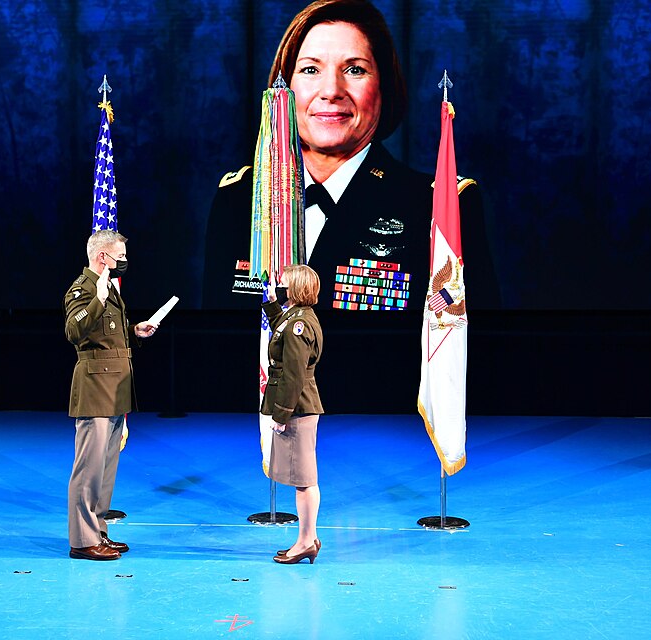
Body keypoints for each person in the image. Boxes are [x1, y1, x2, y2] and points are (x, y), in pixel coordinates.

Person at [203, 0, 499, 311]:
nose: (331, 90)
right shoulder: (240, 197)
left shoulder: (439, 206)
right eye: (310, 69)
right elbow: (212, 344)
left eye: (355, 69)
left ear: (384, 87)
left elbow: (472, 345)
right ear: (284, 89)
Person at [63, 229, 158, 561]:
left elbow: (108, 338)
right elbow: (75, 332)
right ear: (102, 256)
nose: (124, 262)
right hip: (95, 389)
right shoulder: (84, 289)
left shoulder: (108, 291)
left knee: (105, 468)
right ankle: (82, 539)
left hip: (115, 389)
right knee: (88, 468)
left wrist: (135, 332)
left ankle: (99, 530)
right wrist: (98, 299)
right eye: (119, 256)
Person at [261, 264, 325, 564]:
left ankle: (306, 542)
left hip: (297, 407)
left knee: (304, 480)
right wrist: (271, 301)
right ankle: (307, 538)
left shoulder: (300, 324)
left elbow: (294, 373)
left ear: (297, 289)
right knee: (302, 477)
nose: (281, 286)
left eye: (284, 284)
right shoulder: (294, 317)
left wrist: (281, 413)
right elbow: (280, 330)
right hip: (296, 407)